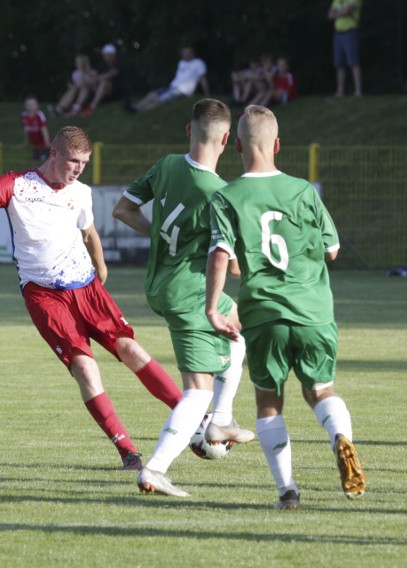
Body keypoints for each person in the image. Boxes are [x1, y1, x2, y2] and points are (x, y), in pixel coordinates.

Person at [0, 126, 183, 471]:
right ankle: (128, 452)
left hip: (87, 289)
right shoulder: (17, 185)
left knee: (132, 350)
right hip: (43, 294)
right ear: (55, 154)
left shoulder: (81, 192)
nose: (78, 169)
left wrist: (101, 266)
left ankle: (195, 421)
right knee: (85, 369)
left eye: (84, 163)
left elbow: (88, 232)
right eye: (74, 161)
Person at [205, 105, 366, 510]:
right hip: (313, 309)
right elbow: (332, 250)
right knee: (320, 390)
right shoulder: (303, 191)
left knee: (268, 400)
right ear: (277, 145)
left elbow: (220, 254)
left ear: (236, 145)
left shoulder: (226, 196)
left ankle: (288, 491)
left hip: (263, 312)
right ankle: (339, 437)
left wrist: (213, 307)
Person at [112, 99, 254, 497]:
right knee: (198, 389)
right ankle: (155, 468)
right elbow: (232, 263)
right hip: (186, 293)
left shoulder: (167, 164)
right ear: (227, 140)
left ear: (188, 130)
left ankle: (221, 420)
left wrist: (162, 238)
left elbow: (122, 210)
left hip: (159, 282)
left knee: (239, 329)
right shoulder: (219, 193)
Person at [130, 47, 209, 113]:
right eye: (184, 53)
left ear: (192, 53)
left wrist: (206, 94)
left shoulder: (198, 63)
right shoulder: (181, 63)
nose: (184, 54)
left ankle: (140, 110)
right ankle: (136, 106)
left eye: (187, 53)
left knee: (159, 100)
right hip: (172, 86)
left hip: (182, 91)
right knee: (152, 94)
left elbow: (202, 78)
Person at [75, 44, 130, 117]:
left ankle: (92, 107)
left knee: (104, 81)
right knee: (87, 85)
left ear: (112, 55)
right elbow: (91, 73)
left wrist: (92, 79)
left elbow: (109, 75)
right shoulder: (103, 65)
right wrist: (86, 65)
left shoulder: (119, 64)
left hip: (116, 92)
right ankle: (76, 107)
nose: (104, 57)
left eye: (106, 55)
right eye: (104, 55)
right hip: (102, 93)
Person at [328, 0, 362, 98]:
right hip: (338, 33)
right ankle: (340, 91)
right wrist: (342, 11)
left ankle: (358, 91)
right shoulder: (337, 0)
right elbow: (330, 14)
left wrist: (337, 12)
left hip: (350, 32)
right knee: (339, 64)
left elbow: (349, 9)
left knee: (353, 62)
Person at [21, 96, 51, 163]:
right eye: (29, 105)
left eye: (33, 104)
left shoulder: (39, 115)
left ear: (37, 105)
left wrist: (47, 142)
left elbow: (44, 129)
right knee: (35, 161)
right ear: (26, 106)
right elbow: (26, 130)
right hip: (34, 145)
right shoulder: (24, 116)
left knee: (44, 161)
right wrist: (27, 141)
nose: (31, 106)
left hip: (43, 144)